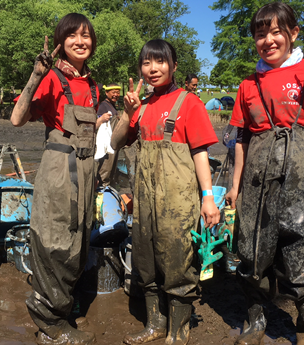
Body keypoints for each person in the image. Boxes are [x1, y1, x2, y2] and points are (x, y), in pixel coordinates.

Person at [224, 3, 304, 345]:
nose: (268, 40)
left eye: (276, 32)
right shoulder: (248, 84)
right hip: (257, 177)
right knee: (252, 247)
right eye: (260, 34)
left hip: (303, 176)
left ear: (293, 34)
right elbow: (241, 139)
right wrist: (235, 186)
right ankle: (256, 320)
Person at [111, 39, 220, 345]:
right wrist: (127, 111)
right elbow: (116, 142)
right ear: (140, 69)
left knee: (177, 260)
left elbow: (200, 154)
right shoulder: (141, 106)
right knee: (145, 259)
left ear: (173, 66)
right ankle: (155, 325)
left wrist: (208, 198)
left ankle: (178, 331)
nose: (153, 68)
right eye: (147, 63)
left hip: (179, 200)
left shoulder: (190, 104)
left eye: (160, 62)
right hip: (145, 198)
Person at [10, 13, 110, 345]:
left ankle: (62, 309)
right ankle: (50, 322)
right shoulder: (51, 77)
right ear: (61, 41)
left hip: (85, 172)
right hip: (58, 169)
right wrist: (35, 76)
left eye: (86, 36)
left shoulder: (94, 86)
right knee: (55, 241)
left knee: (79, 240)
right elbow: (17, 119)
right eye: (72, 36)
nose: (80, 41)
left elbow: (90, 131)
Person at [96, 83, 122, 187]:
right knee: (105, 168)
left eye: (118, 92)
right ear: (107, 93)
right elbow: (98, 124)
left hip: (113, 143)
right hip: (106, 145)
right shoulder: (103, 106)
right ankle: (102, 189)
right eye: (113, 92)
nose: (116, 94)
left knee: (112, 168)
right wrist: (101, 118)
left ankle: (108, 188)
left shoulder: (111, 105)